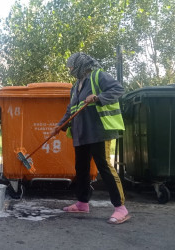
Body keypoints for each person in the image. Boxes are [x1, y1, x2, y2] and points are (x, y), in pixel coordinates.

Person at [51, 52, 130, 224]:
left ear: (80, 65)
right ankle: (82, 203)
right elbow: (70, 110)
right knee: (82, 169)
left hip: (99, 130)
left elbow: (118, 89)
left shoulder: (98, 76)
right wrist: (60, 125)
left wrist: (98, 97)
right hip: (81, 133)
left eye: (72, 66)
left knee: (104, 167)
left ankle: (120, 208)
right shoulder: (75, 86)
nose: (70, 70)